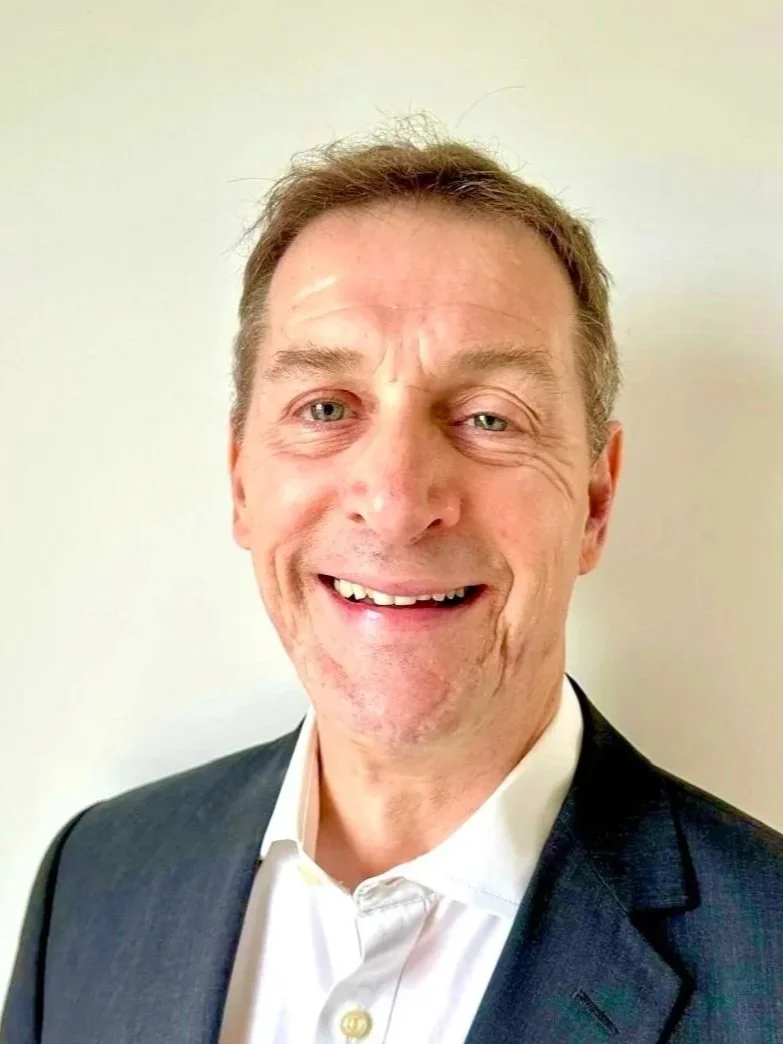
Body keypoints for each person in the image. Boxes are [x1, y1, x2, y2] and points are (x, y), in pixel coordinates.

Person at [3, 129, 782, 1044]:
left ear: (595, 502)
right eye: (326, 408)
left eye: (489, 417)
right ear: (241, 482)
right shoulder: (92, 881)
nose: (397, 502)